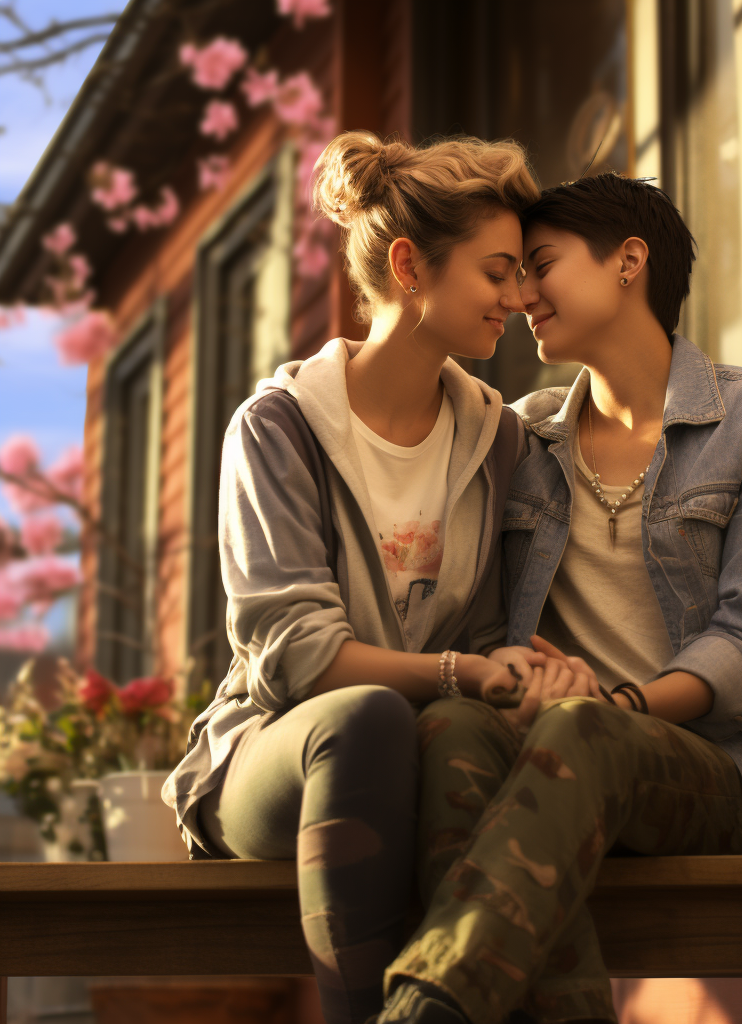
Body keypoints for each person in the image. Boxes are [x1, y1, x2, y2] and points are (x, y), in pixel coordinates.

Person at [375, 173, 742, 1024]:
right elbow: (478, 616)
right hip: (556, 760)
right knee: (450, 727)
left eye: (541, 264)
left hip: (716, 772)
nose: (520, 294)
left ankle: (424, 1009)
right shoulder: (523, 437)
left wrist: (618, 703)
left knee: (583, 728)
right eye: (512, 272)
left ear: (629, 261)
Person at [161, 130, 580, 1024]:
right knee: (362, 718)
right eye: (497, 271)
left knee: (444, 745)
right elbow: (296, 657)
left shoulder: (500, 439)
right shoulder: (278, 429)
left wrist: (526, 671)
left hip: (433, 759)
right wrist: (459, 675)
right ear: (409, 266)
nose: (520, 296)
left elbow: (485, 642)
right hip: (279, 755)